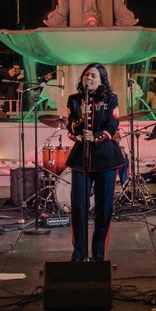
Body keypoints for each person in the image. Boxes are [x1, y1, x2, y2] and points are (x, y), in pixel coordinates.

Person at [64, 63, 125, 261]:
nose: (88, 78)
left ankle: (98, 256)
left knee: (104, 209)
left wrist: (96, 136)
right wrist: (82, 117)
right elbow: (71, 129)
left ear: (101, 80)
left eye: (93, 75)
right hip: (81, 160)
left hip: (106, 158)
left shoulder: (110, 99)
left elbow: (112, 126)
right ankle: (79, 254)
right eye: (86, 75)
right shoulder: (74, 100)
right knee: (79, 208)